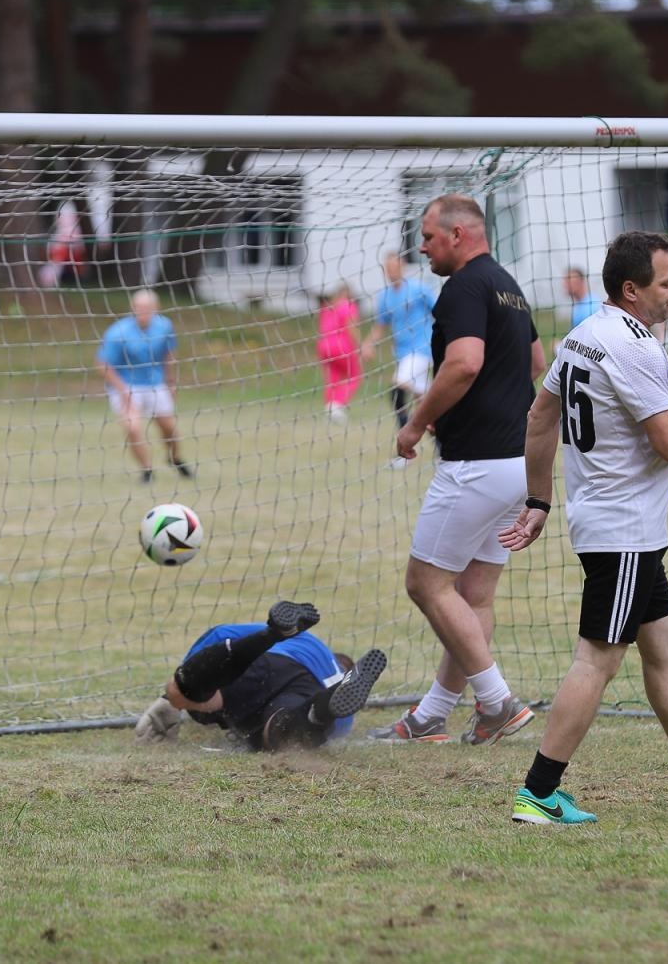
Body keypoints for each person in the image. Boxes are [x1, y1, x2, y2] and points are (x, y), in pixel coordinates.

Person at [498, 231, 668, 824]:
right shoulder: (634, 347)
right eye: (667, 281)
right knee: (597, 658)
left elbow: (539, 417)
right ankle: (539, 793)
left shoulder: (582, 334)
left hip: (621, 525)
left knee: (667, 643)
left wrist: (540, 501)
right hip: (622, 527)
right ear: (632, 290)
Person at [370, 194, 546, 745]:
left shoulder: (463, 288)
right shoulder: (509, 286)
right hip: (519, 463)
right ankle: (430, 717)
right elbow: (538, 363)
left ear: (458, 235)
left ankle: (497, 703)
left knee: (425, 583)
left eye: (427, 236)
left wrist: (417, 423)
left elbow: (464, 362)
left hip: (476, 466)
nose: (421, 247)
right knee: (473, 596)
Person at [134, 600, 388, 752]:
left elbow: (219, 632)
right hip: (309, 694)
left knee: (195, 695)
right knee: (281, 734)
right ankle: (318, 712)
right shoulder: (348, 719)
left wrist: (172, 696)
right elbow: (329, 734)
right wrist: (318, 725)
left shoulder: (308, 642)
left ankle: (271, 635)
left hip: (281, 662)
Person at [98, 289, 192, 482]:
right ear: (133, 308)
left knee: (169, 428)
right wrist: (123, 392)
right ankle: (147, 470)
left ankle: (175, 458)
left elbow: (168, 356)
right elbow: (103, 365)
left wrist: (171, 383)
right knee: (133, 427)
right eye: (139, 307)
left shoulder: (164, 326)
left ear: (156, 308)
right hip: (126, 385)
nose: (144, 311)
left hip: (155, 384)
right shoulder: (118, 332)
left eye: (148, 307)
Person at [362, 251, 436, 438]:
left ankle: (405, 438)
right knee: (427, 406)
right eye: (388, 269)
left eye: (395, 267)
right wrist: (368, 344)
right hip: (402, 354)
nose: (392, 271)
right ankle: (441, 448)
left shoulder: (419, 289)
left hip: (423, 349)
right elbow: (380, 326)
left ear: (402, 267)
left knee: (397, 387)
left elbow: (440, 312)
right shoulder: (385, 297)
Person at [316, 283, 363, 423]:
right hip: (341, 346)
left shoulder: (327, 307)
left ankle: (330, 407)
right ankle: (337, 403)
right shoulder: (348, 305)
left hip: (324, 346)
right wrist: (360, 346)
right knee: (355, 375)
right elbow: (351, 327)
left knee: (332, 378)